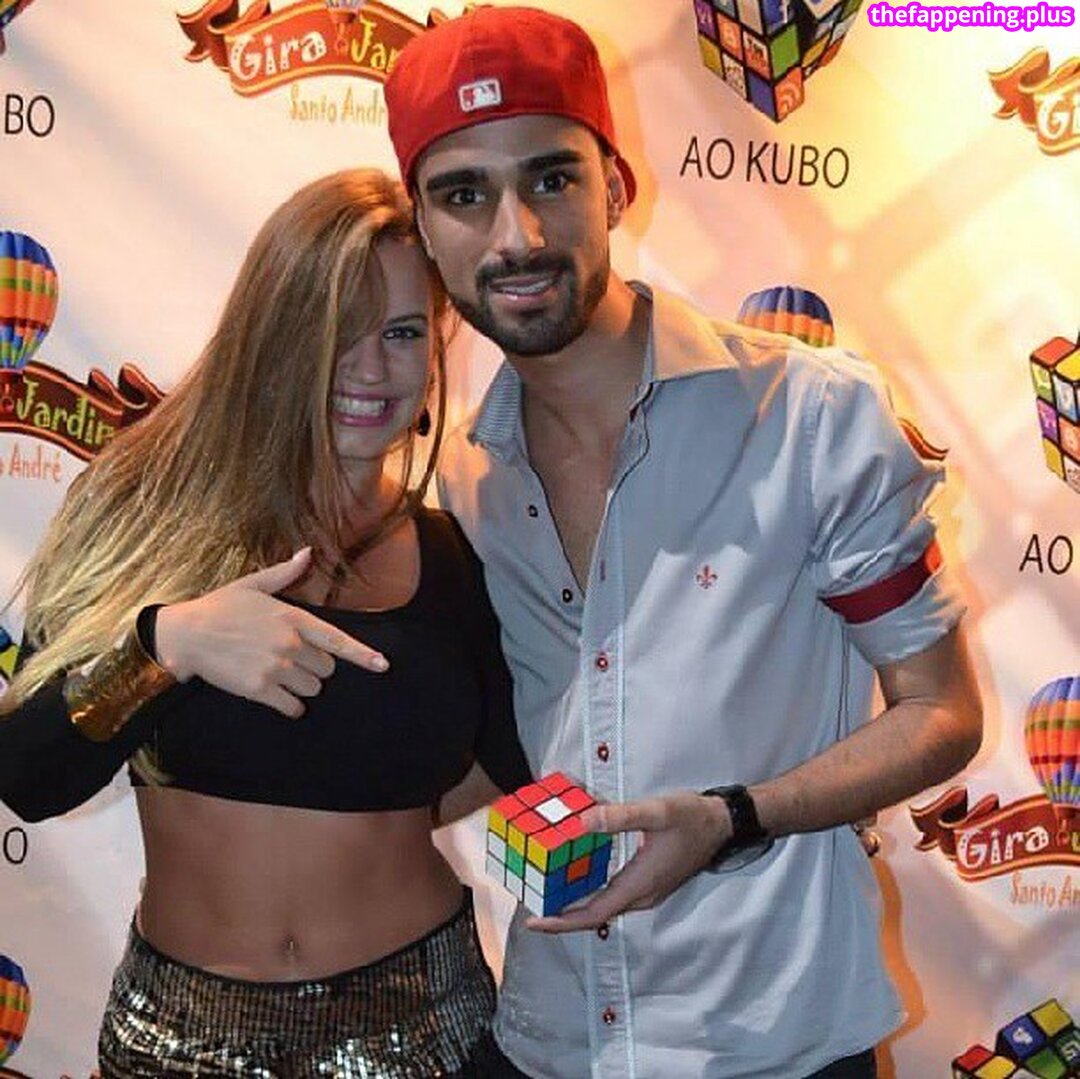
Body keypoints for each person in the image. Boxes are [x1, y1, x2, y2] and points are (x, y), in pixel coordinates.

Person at [101, 9, 983, 1077]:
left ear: (617, 185)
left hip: (772, 1038)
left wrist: (733, 816)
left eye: (551, 178)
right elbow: (488, 741)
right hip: (545, 1033)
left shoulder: (810, 417)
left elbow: (942, 714)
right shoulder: (462, 481)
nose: (515, 235)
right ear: (424, 229)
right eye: (464, 194)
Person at [0, 169, 532, 1077]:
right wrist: (167, 644)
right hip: (178, 1037)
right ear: (272, 334)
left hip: (426, 1029)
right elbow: (26, 773)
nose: (371, 369)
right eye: (334, 329)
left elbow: (526, 751)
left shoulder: (465, 552)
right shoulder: (138, 517)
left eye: (403, 332)